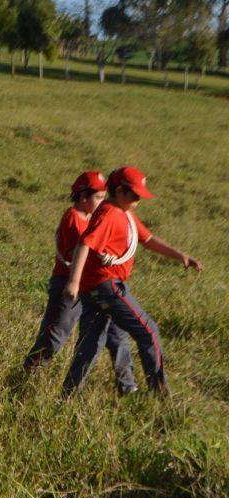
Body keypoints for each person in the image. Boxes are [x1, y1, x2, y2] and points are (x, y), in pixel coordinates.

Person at [62, 166, 203, 395]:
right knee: (149, 332)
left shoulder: (124, 213)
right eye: (135, 195)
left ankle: (69, 394)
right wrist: (73, 282)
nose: (138, 200)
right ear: (119, 191)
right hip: (106, 285)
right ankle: (159, 395)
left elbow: (148, 239)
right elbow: (84, 244)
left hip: (96, 287)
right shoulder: (108, 213)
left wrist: (181, 256)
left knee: (90, 344)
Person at [23, 171, 137, 395]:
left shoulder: (90, 218)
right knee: (55, 335)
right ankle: (28, 372)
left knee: (116, 334)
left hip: (93, 285)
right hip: (70, 285)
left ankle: (127, 385)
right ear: (84, 197)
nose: (103, 202)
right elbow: (82, 252)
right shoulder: (74, 218)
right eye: (99, 197)